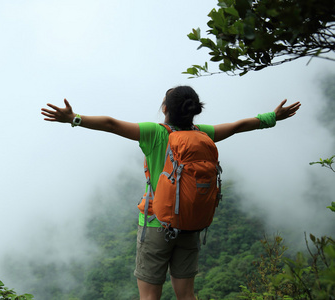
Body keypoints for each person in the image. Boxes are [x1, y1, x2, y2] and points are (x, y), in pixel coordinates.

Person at [41, 85, 301, 300]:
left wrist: (74, 119)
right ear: (193, 110)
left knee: (149, 296)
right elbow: (236, 126)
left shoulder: (155, 133)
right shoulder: (203, 134)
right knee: (187, 295)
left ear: (165, 108)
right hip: (189, 224)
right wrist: (271, 118)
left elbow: (110, 124)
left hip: (155, 223)